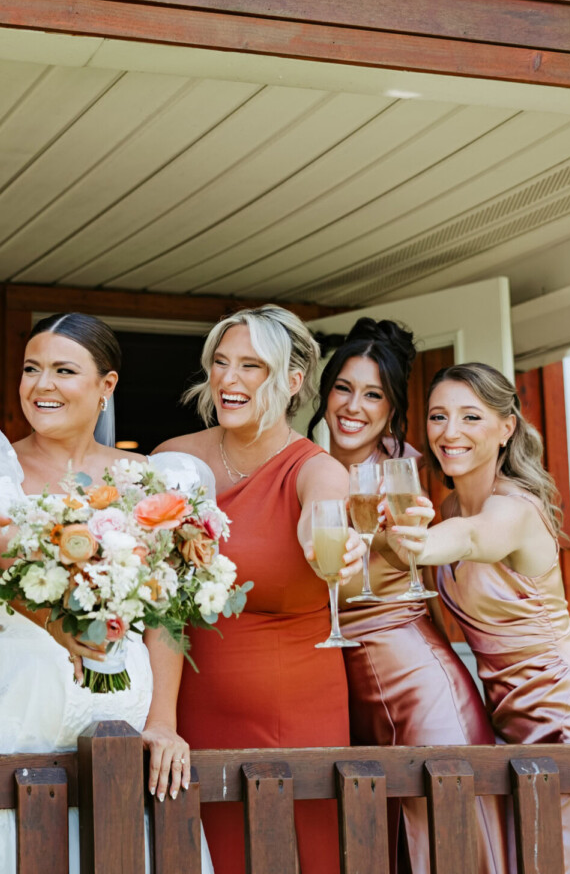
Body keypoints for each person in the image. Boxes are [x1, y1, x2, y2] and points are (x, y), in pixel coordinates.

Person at [0, 313, 211, 873]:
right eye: (31, 369)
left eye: (63, 370)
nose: (41, 385)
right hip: (6, 695)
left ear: (107, 385)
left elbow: (168, 612)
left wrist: (163, 723)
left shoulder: (153, 478)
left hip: (121, 705)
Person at [386, 362, 570, 874]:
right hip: (513, 729)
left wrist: (417, 541)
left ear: (506, 427)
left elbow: (473, 538)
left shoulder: (515, 509)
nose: (450, 432)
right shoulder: (444, 507)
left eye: (470, 416)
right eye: (438, 417)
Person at [156, 305, 364, 874]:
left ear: (292, 382)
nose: (228, 378)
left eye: (251, 366)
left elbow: (326, 512)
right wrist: (160, 719)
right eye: (220, 362)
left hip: (296, 718)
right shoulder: (175, 459)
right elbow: (151, 596)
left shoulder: (314, 468)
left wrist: (338, 543)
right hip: (186, 718)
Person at [307, 320, 506, 874]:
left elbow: (408, 535)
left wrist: (409, 537)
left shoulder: (397, 477)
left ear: (392, 410)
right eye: (344, 388)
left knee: (449, 839)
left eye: (373, 395)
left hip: (418, 684)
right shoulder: (308, 468)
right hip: (356, 690)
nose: (353, 405)